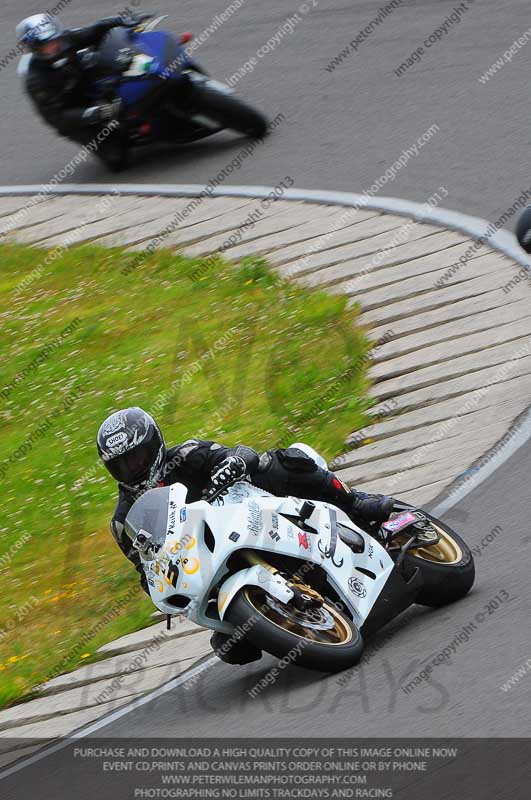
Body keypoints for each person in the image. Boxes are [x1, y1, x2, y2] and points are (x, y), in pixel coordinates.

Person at [97, 407, 395, 663]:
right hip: (206, 563)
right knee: (231, 646)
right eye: (121, 464)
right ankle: (262, 618)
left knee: (279, 462)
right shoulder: (124, 521)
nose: (132, 468)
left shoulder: (187, 455)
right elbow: (145, 569)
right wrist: (158, 584)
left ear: (155, 444)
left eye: (137, 458)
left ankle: (356, 502)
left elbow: (240, 454)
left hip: (249, 513)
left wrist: (234, 463)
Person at [16, 12, 135, 167]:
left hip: (86, 86)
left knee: (98, 59)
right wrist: (92, 113)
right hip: (73, 113)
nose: (54, 46)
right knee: (117, 159)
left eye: (55, 40)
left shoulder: (64, 41)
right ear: (35, 48)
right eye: (46, 45)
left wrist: (118, 21)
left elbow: (91, 32)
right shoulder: (36, 80)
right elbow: (57, 117)